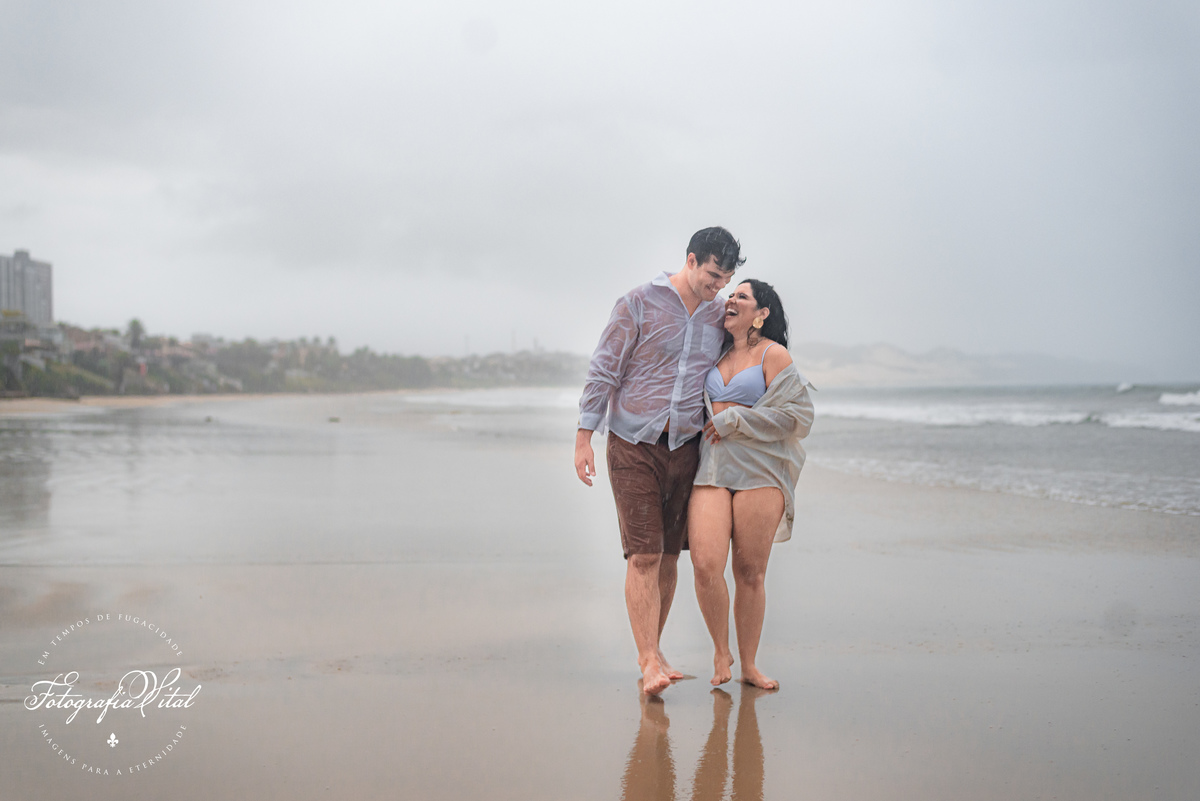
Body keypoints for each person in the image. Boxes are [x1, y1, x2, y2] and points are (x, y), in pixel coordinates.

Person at [575, 226, 744, 696]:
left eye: (725, 278)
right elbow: (604, 368)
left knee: (670, 555)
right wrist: (583, 437)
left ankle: (656, 650)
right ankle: (647, 659)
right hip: (633, 442)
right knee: (644, 553)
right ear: (691, 260)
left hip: (686, 447)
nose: (718, 286)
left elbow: (733, 368)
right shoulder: (637, 303)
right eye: (713, 275)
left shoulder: (718, 314)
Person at [688, 279, 814, 690]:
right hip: (712, 468)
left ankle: (748, 665)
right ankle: (719, 649)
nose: (731, 300)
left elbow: (799, 417)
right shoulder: (716, 353)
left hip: (761, 471)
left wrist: (736, 420)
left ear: (761, 314)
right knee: (706, 565)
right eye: (731, 295)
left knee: (750, 572)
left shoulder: (773, 354)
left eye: (742, 296)